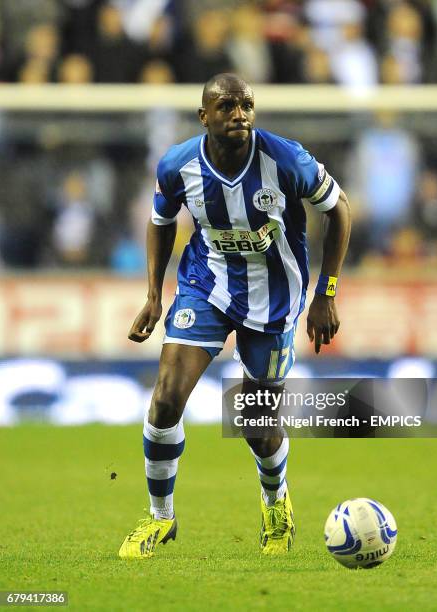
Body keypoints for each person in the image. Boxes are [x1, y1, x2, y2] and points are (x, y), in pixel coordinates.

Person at [119, 73, 351, 558]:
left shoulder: (285, 159)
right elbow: (161, 222)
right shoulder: (178, 165)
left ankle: (275, 501)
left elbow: (340, 208)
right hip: (206, 286)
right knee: (165, 399)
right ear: (204, 116)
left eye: (246, 105)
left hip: (275, 298)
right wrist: (153, 294)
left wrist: (326, 293)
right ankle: (161, 518)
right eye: (226, 106)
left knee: (256, 425)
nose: (239, 114)